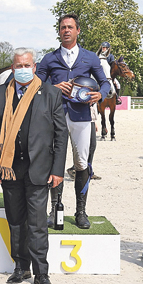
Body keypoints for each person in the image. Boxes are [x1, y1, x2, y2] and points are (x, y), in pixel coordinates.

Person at [0, 47, 67, 284]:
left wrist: (58, 170)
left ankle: (41, 272)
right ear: (12, 68)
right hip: (9, 168)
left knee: (37, 223)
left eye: (27, 65)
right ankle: (21, 267)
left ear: (34, 67)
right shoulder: (1, 93)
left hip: (39, 168)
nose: (22, 69)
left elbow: (60, 134)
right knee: (15, 220)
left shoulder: (51, 93)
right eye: (18, 66)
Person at [37, 13, 111, 230]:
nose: (66, 30)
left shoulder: (90, 57)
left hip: (81, 115)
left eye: (70, 27)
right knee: (54, 163)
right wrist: (51, 88)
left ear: (78, 31)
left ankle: (81, 211)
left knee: (82, 164)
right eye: (62, 27)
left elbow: (104, 82)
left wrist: (101, 95)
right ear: (59, 32)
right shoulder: (49, 58)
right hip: (54, 115)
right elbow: (36, 83)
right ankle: (54, 209)